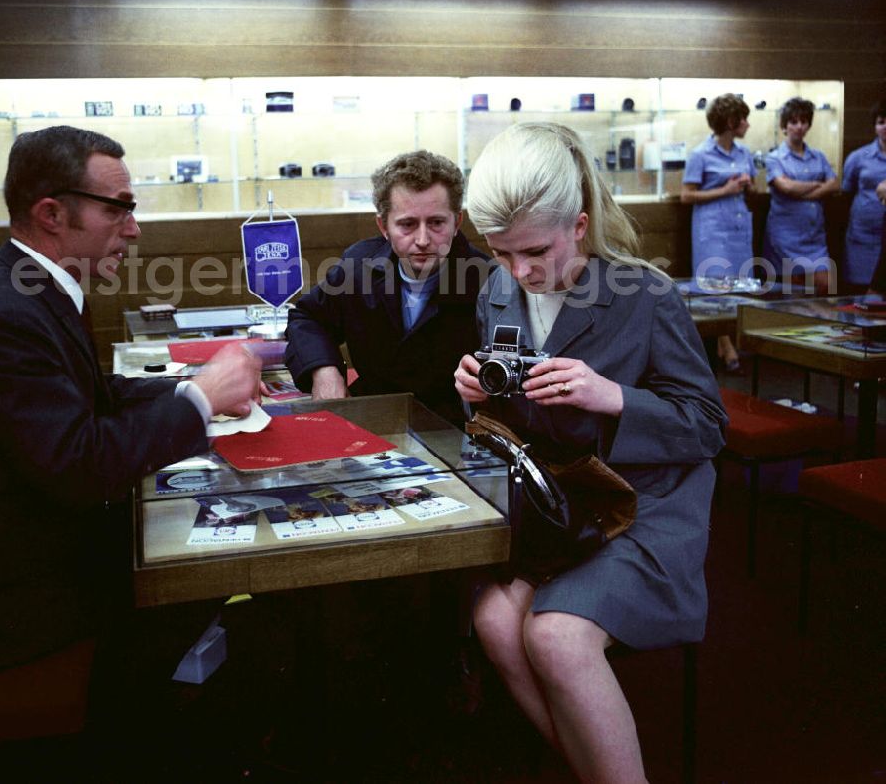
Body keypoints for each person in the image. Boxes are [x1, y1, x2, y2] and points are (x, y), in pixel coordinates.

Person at [0, 126, 262, 675]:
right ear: (52, 215)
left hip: (19, 560)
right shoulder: (4, 315)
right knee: (221, 575)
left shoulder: (26, 285)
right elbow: (80, 463)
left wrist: (191, 389)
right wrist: (202, 399)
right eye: (118, 210)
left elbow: (93, 395)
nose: (132, 231)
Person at [455, 122, 726, 784]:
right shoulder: (497, 290)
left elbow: (708, 426)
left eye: (535, 251)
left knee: (555, 635)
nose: (519, 271)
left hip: (648, 503)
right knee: (493, 619)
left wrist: (613, 397)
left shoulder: (645, 294)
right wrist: (475, 395)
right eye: (500, 253)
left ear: (578, 226)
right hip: (563, 504)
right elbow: (514, 414)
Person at [285, 150, 490, 426]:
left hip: (458, 432)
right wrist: (324, 370)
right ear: (383, 226)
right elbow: (307, 317)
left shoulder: (488, 280)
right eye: (407, 224)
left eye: (436, 223)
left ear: (457, 223)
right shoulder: (357, 267)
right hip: (372, 422)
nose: (422, 239)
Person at [680, 93, 755, 372]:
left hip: (738, 227)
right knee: (715, 286)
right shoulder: (701, 154)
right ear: (730, 121)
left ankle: (732, 343)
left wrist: (746, 184)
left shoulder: (744, 153)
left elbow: (754, 188)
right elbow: (687, 195)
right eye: (743, 119)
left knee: (739, 284)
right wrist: (725, 189)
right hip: (712, 228)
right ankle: (725, 346)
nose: (747, 124)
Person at [762, 97, 838, 295]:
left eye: (804, 122)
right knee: (793, 294)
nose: (799, 127)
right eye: (794, 122)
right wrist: (816, 184)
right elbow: (786, 187)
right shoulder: (774, 157)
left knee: (826, 287)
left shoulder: (818, 156)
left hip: (815, 237)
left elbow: (834, 184)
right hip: (786, 237)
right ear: (784, 125)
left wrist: (801, 192)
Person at [841, 100, 886, 291]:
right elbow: (846, 191)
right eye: (881, 122)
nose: (885, 127)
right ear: (875, 126)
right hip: (862, 236)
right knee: (858, 293)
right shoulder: (858, 157)